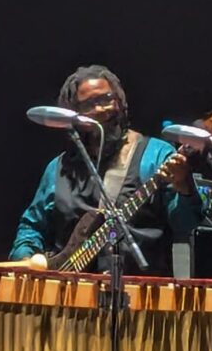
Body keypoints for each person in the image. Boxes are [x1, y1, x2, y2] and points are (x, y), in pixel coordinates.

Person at [10, 64, 201, 275]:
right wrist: (26, 261)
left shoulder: (156, 155)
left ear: (119, 101)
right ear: (75, 114)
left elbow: (185, 225)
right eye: (90, 104)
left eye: (107, 98)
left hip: (139, 294)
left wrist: (183, 185)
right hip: (67, 296)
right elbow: (31, 227)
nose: (102, 109)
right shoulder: (58, 168)